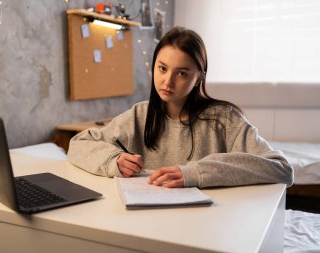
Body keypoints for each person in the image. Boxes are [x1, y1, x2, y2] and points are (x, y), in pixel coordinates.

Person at [68, 27, 294, 188]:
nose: (167, 81)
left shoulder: (224, 119)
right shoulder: (139, 115)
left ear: (198, 78)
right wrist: (112, 160)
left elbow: (281, 168)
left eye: (182, 73)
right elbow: (78, 144)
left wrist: (196, 172)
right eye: (162, 68)